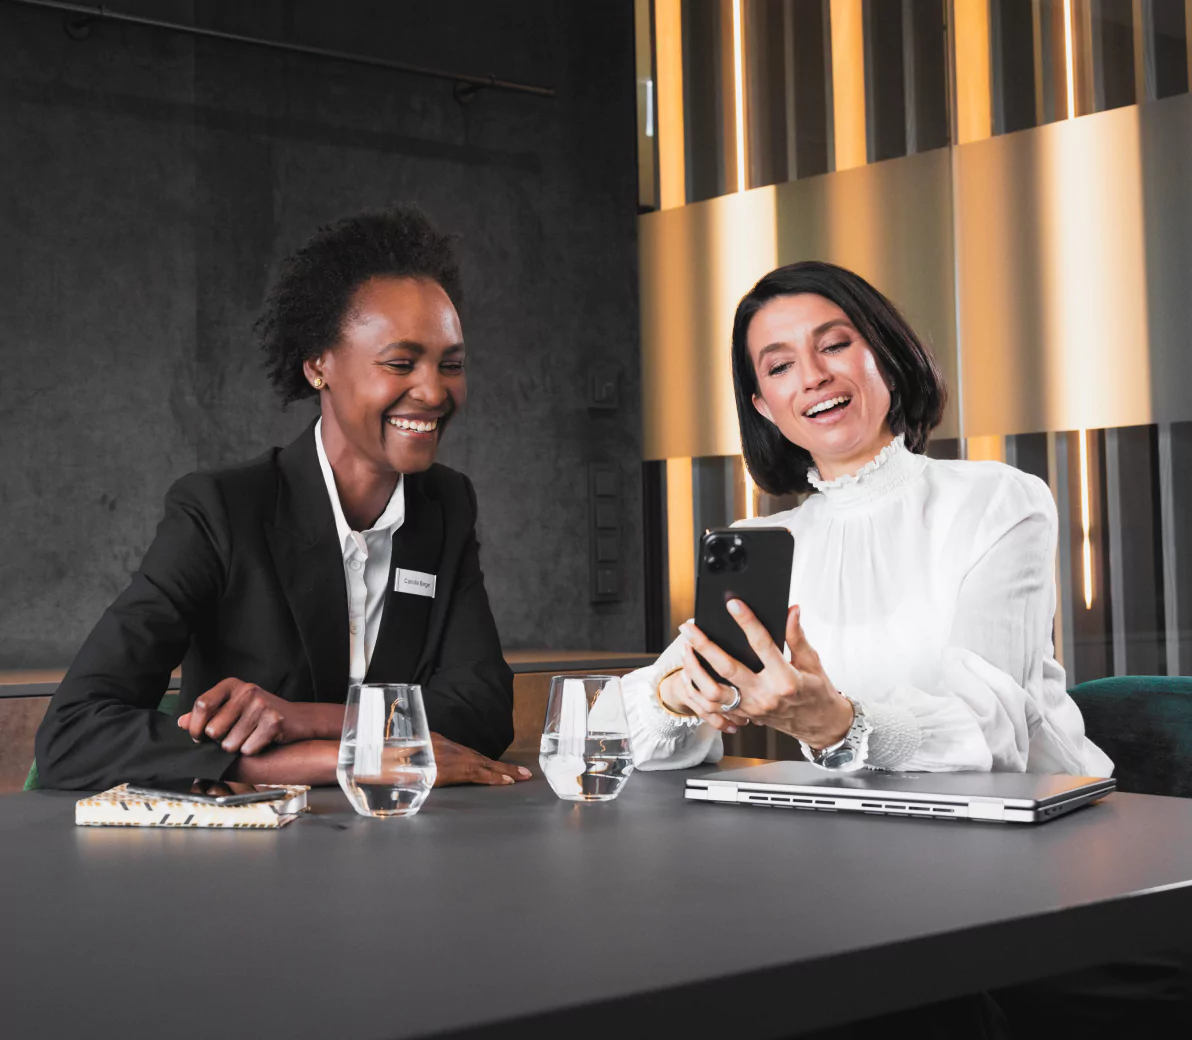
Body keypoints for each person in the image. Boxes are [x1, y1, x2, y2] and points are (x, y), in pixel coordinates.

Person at [36, 206, 529, 790]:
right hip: (248, 863)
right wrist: (329, 762)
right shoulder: (220, 511)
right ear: (319, 365)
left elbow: (483, 712)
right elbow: (74, 733)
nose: (433, 390)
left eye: (451, 364)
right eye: (400, 362)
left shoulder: (445, 506)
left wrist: (306, 722)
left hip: (402, 854)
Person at [623, 260, 1111, 779]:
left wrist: (838, 724)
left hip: (1033, 820)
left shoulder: (998, 502)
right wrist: (675, 696)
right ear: (765, 407)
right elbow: (624, 740)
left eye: (833, 345)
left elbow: (994, 733)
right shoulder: (763, 545)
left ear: (889, 358)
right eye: (779, 367)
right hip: (856, 828)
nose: (813, 377)